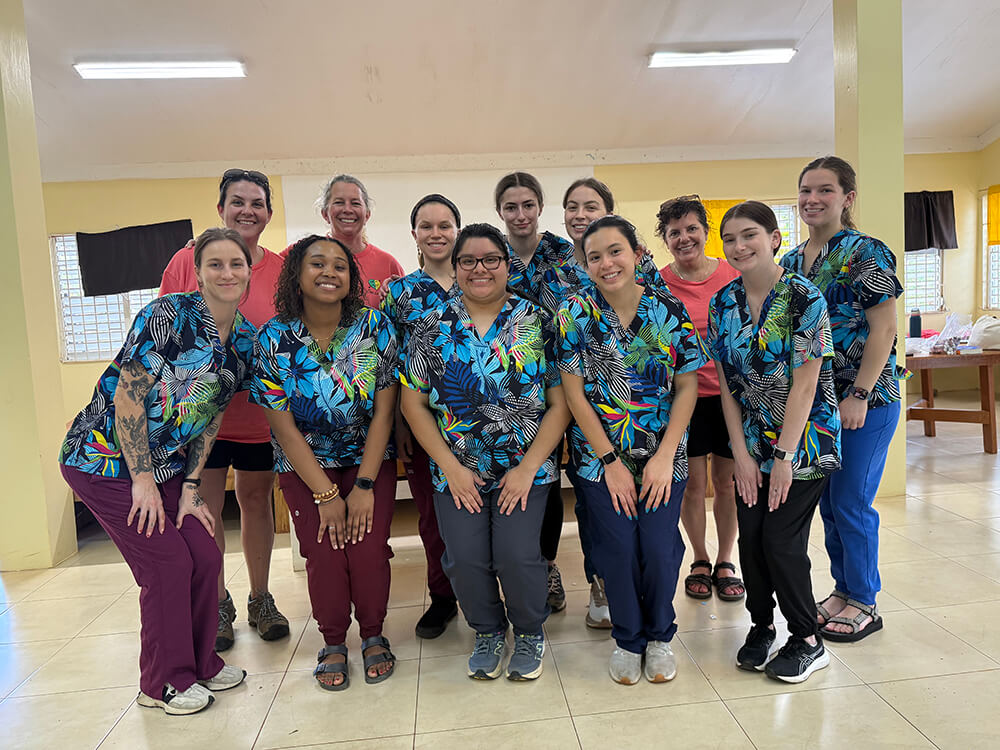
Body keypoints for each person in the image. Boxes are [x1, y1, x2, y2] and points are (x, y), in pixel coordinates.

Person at [60, 227, 254, 715]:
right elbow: (129, 395)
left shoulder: (244, 341)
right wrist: (142, 479)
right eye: (215, 264)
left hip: (168, 468)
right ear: (198, 272)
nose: (227, 273)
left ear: (249, 271)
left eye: (236, 263)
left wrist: (190, 486)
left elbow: (210, 416)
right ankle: (162, 683)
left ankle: (202, 663)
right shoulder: (167, 315)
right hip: (102, 460)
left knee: (204, 555)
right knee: (166, 565)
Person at [401, 223, 570, 681]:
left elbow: (560, 404)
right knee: (464, 558)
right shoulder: (430, 327)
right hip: (457, 470)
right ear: (455, 267)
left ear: (506, 264)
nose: (480, 269)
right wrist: (451, 467)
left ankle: (529, 631)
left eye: (491, 259)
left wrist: (529, 468)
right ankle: (488, 631)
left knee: (518, 555)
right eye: (468, 261)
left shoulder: (538, 321)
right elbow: (413, 404)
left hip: (526, 469)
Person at [556, 215, 704, 685]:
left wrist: (665, 455)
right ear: (585, 265)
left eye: (615, 251)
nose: (606, 263)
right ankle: (627, 639)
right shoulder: (574, 314)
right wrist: (609, 462)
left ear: (637, 253)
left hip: (664, 457)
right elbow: (574, 394)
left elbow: (687, 386)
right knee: (617, 548)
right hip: (599, 461)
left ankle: (659, 636)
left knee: (658, 548)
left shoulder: (667, 309)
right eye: (594, 257)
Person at [251, 235, 399, 691]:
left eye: (340, 265)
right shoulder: (272, 337)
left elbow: (384, 414)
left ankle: (373, 634)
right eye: (317, 263)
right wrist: (327, 494)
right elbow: (283, 427)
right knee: (324, 552)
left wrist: (364, 486)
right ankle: (333, 641)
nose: (329, 272)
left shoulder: (375, 326)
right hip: (304, 463)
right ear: (296, 275)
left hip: (368, 456)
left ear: (352, 279)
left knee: (368, 549)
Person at [707, 201, 841, 683]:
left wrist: (782, 457)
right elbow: (728, 387)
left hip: (804, 443)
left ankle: (808, 639)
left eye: (749, 235)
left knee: (781, 541)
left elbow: (806, 386)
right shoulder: (723, 303)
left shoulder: (805, 298)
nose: (739, 246)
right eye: (729, 239)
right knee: (752, 541)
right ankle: (762, 626)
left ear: (774, 239)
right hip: (751, 444)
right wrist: (741, 455)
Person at [159, 168, 289, 652]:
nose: (247, 211)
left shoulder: (282, 269)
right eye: (238, 202)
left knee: (256, 502)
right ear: (220, 208)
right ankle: (217, 604)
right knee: (207, 508)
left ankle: (260, 597)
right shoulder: (185, 260)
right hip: (199, 421)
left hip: (259, 418)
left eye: (257, 203)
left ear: (268, 213)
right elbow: (166, 334)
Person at [782, 156, 906, 643]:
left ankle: (865, 600)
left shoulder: (866, 253)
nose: (812, 199)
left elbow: (884, 329)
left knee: (852, 502)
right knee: (831, 506)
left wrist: (859, 393)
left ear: (847, 198)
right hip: (817, 405)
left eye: (825, 190)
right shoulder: (793, 260)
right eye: (805, 190)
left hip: (865, 402)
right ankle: (843, 588)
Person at [655, 195, 744, 603]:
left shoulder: (732, 273)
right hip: (683, 400)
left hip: (729, 398)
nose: (684, 238)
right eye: (674, 232)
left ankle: (726, 560)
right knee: (692, 486)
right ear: (666, 239)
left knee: (726, 483)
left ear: (706, 233)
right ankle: (700, 559)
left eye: (692, 228)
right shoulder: (657, 282)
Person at [380, 194, 462, 639]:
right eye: (426, 226)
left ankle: (490, 594)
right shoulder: (399, 294)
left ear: (457, 230)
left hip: (484, 426)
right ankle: (443, 596)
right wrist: (398, 423)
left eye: (444, 225)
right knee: (432, 518)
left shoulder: (481, 279)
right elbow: (388, 365)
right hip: (421, 422)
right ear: (414, 234)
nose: (436, 233)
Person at [494, 171, 576, 612]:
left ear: (541, 207)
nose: (520, 214)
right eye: (511, 206)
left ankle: (546, 565)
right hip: (506, 387)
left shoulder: (565, 253)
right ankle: (508, 568)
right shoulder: (493, 254)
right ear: (500, 211)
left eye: (528, 205)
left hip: (565, 382)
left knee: (548, 475)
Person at [314, 174, 404, 307]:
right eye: (339, 202)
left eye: (355, 203)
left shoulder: (388, 264)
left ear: (367, 215)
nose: (347, 209)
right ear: (324, 213)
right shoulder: (303, 258)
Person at [563, 177, 663, 287]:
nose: (579, 215)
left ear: (609, 216)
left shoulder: (638, 261)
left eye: (591, 208)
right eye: (572, 207)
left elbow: (663, 296)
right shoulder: (556, 272)